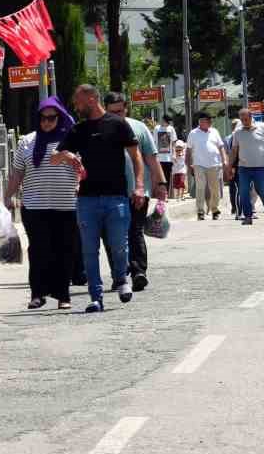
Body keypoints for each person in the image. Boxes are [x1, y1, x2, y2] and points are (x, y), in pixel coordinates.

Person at [51, 84, 145, 313]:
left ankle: (122, 279)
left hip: (116, 198)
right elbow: (54, 157)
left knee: (119, 245)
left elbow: (136, 156)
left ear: (92, 99)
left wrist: (140, 186)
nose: (76, 105)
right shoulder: (79, 129)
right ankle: (96, 296)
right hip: (87, 200)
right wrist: (67, 155)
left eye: (79, 101)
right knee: (89, 250)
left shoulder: (118, 124)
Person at [7, 97, 79, 311]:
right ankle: (37, 293)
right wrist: (6, 197)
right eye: (43, 118)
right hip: (34, 206)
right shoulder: (27, 141)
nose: (47, 122)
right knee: (38, 250)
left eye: (51, 118)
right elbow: (17, 172)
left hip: (66, 206)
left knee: (64, 250)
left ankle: (63, 295)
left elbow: (82, 169)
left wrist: (67, 157)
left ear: (60, 117)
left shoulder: (71, 139)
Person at [106, 94, 166, 292]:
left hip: (138, 190)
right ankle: (119, 274)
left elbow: (151, 158)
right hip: (108, 192)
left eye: (120, 111)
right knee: (112, 235)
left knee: (135, 231)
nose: (117, 115)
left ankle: (139, 271)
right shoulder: (99, 128)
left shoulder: (139, 128)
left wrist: (161, 184)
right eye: (112, 111)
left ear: (126, 109)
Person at [227, 106, 264, 224]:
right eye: (242, 119)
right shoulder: (237, 132)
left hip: (260, 167)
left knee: (262, 191)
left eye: (245, 119)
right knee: (244, 192)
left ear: (251, 117)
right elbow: (234, 150)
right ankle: (248, 216)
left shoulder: (262, 127)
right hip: (243, 168)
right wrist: (229, 166)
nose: (244, 122)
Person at [186, 113, 226, 220]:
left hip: (214, 164)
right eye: (200, 121)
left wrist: (224, 159)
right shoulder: (193, 133)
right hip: (199, 164)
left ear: (209, 122)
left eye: (203, 121)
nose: (201, 123)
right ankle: (200, 211)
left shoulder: (214, 131)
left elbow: (221, 146)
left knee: (215, 188)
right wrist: (189, 164)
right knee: (200, 187)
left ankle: (215, 210)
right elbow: (188, 149)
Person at [154, 115, 177, 200]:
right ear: (163, 120)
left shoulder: (171, 129)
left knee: (167, 176)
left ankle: (165, 194)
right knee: (159, 176)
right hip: (159, 157)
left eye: (169, 122)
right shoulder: (157, 128)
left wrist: (174, 154)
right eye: (167, 121)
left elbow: (174, 142)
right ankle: (159, 194)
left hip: (168, 157)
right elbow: (154, 141)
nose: (167, 123)